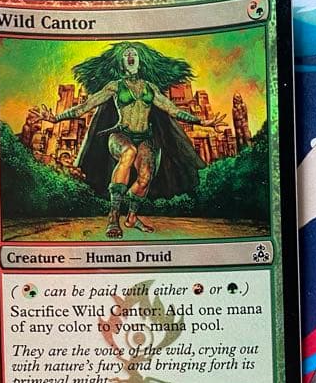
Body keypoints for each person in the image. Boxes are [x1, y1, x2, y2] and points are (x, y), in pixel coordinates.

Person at [35, 41, 225, 238]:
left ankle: (132, 217)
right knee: (129, 152)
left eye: (134, 54)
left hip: (144, 138)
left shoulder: (150, 88)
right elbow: (85, 106)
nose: (130, 57)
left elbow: (173, 110)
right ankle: (113, 217)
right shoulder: (114, 86)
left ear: (140, 61)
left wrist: (202, 121)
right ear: (121, 62)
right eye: (126, 55)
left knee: (145, 177)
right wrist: (55, 118)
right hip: (121, 136)